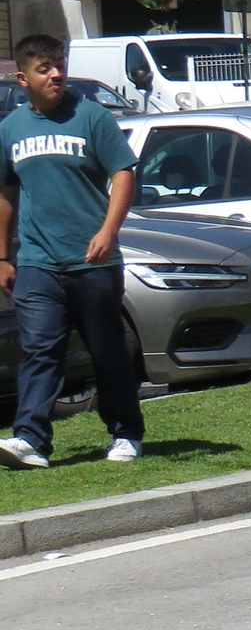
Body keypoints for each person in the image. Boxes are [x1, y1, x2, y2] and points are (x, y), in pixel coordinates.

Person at [0, 33, 144, 470]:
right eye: (45, 68)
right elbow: (6, 193)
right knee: (41, 349)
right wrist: (3, 256)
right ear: (23, 78)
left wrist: (108, 231)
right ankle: (31, 439)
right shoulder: (10, 129)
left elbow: (123, 174)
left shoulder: (92, 117)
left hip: (92, 260)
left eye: (59, 64)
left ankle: (125, 433)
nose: (56, 74)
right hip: (37, 263)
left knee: (106, 351)